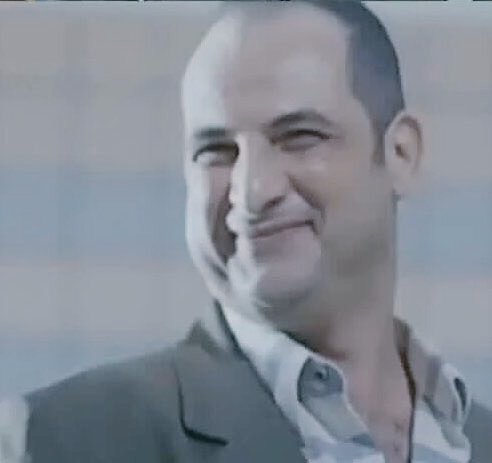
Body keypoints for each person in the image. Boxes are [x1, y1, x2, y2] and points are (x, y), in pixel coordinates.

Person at [2, 1, 491, 462]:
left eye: (299, 137)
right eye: (215, 151)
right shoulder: (66, 440)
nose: (253, 190)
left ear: (401, 154)